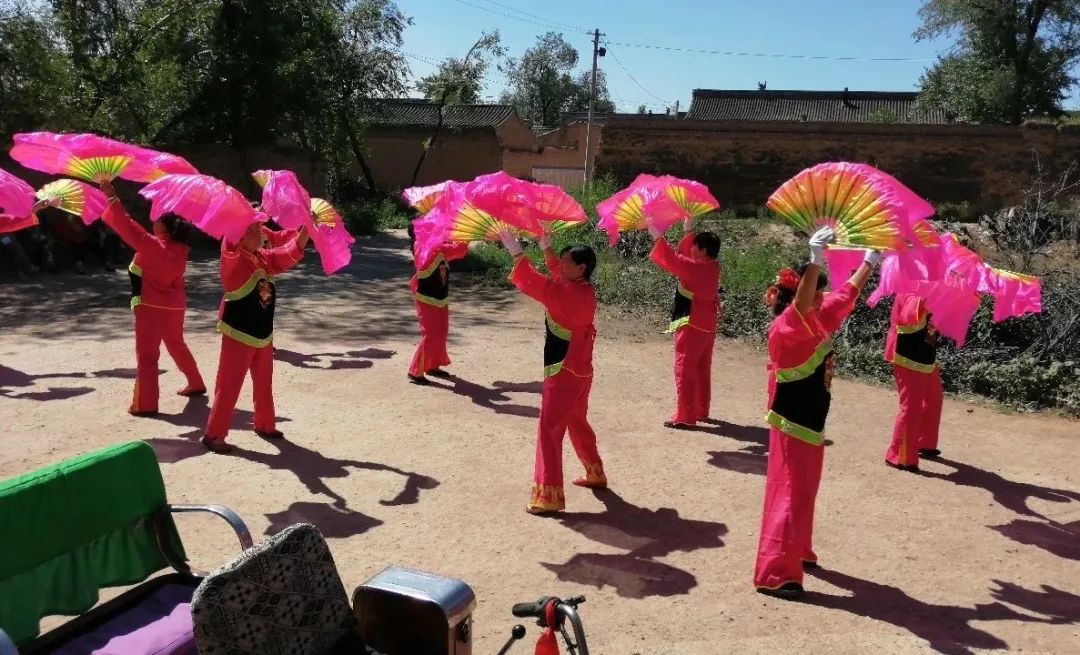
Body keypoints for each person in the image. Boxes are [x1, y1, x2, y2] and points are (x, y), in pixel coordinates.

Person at [754, 228, 880, 600]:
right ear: (799, 295)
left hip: (811, 419)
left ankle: (799, 550)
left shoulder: (818, 316)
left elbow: (846, 295)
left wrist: (869, 262)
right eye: (816, 290)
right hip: (791, 420)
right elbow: (806, 304)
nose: (824, 297)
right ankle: (776, 572)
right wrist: (815, 258)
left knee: (804, 490)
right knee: (787, 491)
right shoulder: (786, 327)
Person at [498, 229, 606, 514]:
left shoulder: (564, 295)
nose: (561, 265)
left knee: (549, 428)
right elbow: (559, 276)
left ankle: (549, 496)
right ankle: (595, 472)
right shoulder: (584, 289)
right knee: (577, 421)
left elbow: (537, 284)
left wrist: (516, 251)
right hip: (581, 369)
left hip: (564, 370)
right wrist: (545, 246)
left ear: (581, 268)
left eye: (566, 261)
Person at [97, 180, 206, 415]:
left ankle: (146, 405)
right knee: (177, 346)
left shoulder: (152, 245)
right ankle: (195, 383)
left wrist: (112, 196)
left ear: (163, 228)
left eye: (157, 220)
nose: (152, 222)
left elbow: (127, 225)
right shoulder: (181, 249)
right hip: (175, 307)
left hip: (151, 306)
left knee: (147, 355)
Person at [202, 221, 309, 454]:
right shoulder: (232, 260)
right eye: (252, 231)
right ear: (238, 236)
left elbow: (291, 251)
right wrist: (236, 221)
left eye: (258, 229)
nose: (259, 233)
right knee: (229, 384)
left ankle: (264, 424)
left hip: (263, 332)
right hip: (238, 332)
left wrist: (308, 227)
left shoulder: (263, 258)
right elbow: (228, 243)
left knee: (264, 381)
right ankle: (214, 434)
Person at [647, 218, 723, 429]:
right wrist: (689, 229)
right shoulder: (712, 266)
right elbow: (684, 258)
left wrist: (657, 236)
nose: (692, 249)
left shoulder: (697, 268)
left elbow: (674, 259)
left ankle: (686, 415)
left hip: (692, 322)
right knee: (701, 367)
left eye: (695, 246)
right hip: (706, 322)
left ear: (703, 249)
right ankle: (700, 408)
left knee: (684, 367)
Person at [884, 292, 943, 471]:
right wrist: (934, 299)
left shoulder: (942, 284)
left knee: (934, 397)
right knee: (911, 405)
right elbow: (908, 317)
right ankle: (900, 455)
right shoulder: (913, 286)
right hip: (908, 353)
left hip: (925, 353)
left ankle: (923, 442)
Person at [406, 223, 469, 385]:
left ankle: (432, 365)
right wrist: (443, 236)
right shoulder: (420, 245)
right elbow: (426, 257)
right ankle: (415, 371)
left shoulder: (439, 246)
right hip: (425, 297)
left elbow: (459, 251)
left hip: (441, 296)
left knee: (441, 332)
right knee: (431, 333)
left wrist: (464, 234)